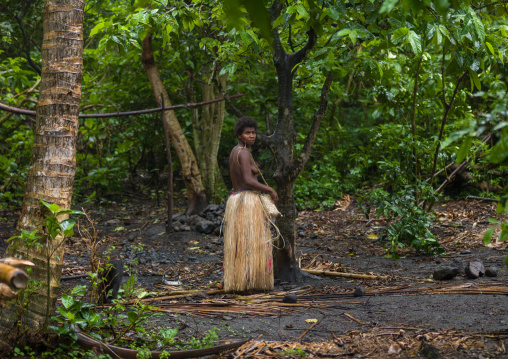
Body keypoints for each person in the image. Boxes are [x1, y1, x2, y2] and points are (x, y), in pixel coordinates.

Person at [223, 116, 279, 292]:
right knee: (251, 243)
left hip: (236, 199)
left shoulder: (236, 151)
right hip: (247, 201)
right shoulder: (244, 153)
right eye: (247, 133)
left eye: (253, 133)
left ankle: (240, 282)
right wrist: (269, 189)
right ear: (240, 135)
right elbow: (247, 180)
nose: (252, 136)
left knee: (241, 242)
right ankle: (249, 283)